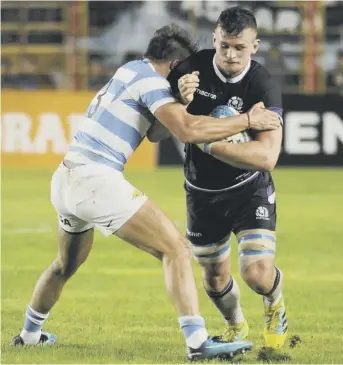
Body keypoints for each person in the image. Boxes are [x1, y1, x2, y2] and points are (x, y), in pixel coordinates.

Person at [10, 23, 280, 361]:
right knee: (177, 250)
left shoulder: (131, 70)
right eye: (184, 70)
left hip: (66, 177)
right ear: (174, 64)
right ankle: (197, 344)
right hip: (96, 180)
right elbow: (187, 129)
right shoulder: (154, 82)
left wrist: (181, 99)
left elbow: (155, 133)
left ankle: (30, 335)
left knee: (66, 263)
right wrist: (247, 120)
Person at [167, 7, 288, 356]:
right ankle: (235, 325)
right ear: (214, 41)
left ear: (255, 46)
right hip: (201, 192)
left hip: (250, 190)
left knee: (257, 274)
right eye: (224, 46)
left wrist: (207, 141)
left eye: (240, 47)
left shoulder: (263, 85)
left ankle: (275, 304)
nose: (231, 55)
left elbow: (267, 157)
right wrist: (179, 99)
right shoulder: (191, 71)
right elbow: (165, 126)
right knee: (214, 279)